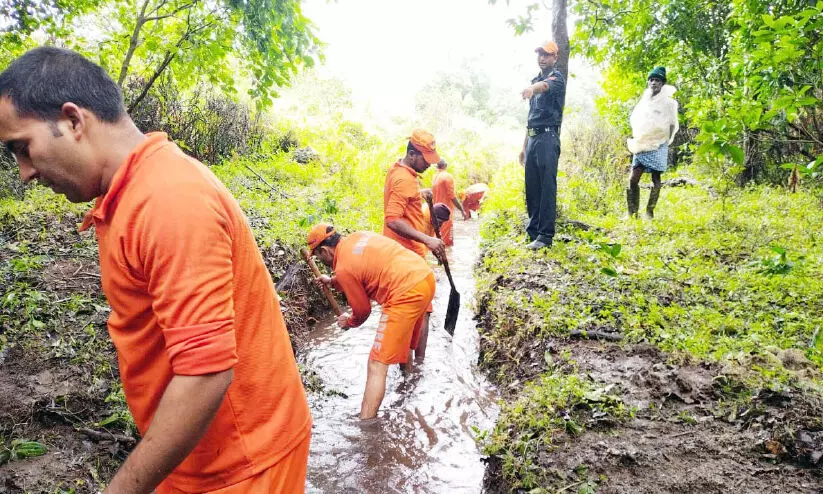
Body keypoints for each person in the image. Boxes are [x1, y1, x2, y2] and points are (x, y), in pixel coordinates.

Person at [0, 47, 312, 493]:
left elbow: (205, 373)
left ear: (73, 120)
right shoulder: (133, 191)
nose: (25, 172)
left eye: (22, 148)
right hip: (196, 455)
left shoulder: (168, 200)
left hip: (244, 466)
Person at [307, 224, 436, 419]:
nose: (320, 260)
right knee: (405, 342)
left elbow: (363, 311)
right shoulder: (357, 237)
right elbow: (362, 269)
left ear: (324, 250)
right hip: (423, 278)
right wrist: (332, 281)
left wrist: (348, 321)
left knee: (376, 364)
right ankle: (409, 383)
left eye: (318, 256)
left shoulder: (343, 268)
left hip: (405, 293)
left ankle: (366, 427)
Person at [383, 129, 445, 360]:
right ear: (411, 154)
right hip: (406, 255)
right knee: (422, 311)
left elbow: (403, 199)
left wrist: (419, 193)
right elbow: (392, 219)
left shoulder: (398, 171)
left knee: (404, 311)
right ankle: (417, 368)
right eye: (425, 159)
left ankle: (406, 368)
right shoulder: (404, 178)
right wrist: (428, 239)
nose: (429, 164)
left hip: (397, 253)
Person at [519, 40, 566, 250]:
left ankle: (545, 236)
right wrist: (523, 146)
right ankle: (533, 232)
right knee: (533, 188)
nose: (542, 58)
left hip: (548, 138)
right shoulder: (534, 79)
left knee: (547, 187)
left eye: (546, 55)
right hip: (533, 138)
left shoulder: (556, 78)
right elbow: (531, 117)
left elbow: (544, 87)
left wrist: (531, 88)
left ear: (554, 57)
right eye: (539, 54)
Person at [626, 66, 679, 219]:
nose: (654, 83)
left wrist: (665, 140)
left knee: (656, 178)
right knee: (633, 178)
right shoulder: (645, 99)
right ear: (648, 82)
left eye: (657, 80)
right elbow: (638, 118)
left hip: (659, 143)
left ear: (662, 83)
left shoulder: (669, 103)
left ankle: (650, 212)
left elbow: (672, 123)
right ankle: (632, 212)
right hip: (643, 142)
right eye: (652, 80)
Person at [431, 159, 467, 246]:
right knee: (447, 243)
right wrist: (462, 210)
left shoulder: (435, 177)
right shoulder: (447, 176)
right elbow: (452, 196)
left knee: (438, 238)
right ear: (445, 166)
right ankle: (448, 258)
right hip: (446, 213)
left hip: (436, 212)